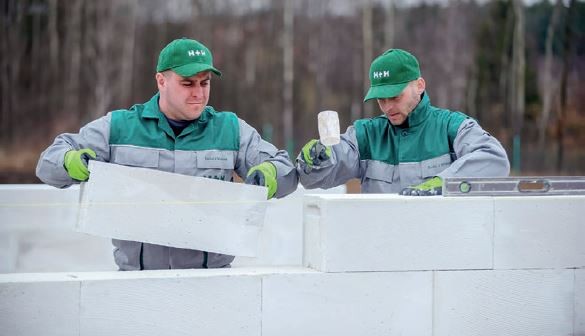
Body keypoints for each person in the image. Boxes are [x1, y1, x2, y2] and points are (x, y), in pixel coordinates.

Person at [36, 38, 298, 270]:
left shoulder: (230, 129)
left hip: (212, 285)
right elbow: (48, 163)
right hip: (135, 285)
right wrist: (70, 162)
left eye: (204, 83)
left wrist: (270, 174)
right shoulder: (119, 127)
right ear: (161, 80)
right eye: (187, 83)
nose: (198, 93)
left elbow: (285, 169)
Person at [297, 48, 509, 195]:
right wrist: (315, 161)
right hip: (383, 252)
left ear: (419, 85)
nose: (388, 107)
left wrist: (444, 183)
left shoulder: (451, 127)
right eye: (381, 99)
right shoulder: (367, 136)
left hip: (442, 251)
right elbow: (315, 178)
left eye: (396, 97)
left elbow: (494, 160)